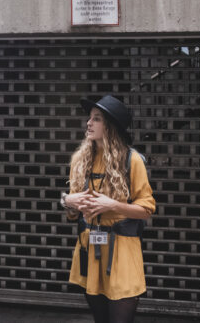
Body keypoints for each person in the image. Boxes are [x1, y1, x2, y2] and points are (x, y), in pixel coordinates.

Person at [62, 95, 155, 323]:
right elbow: (71, 211)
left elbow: (147, 209)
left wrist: (111, 205)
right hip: (91, 250)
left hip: (122, 252)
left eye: (97, 119)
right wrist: (67, 201)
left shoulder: (132, 160)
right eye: (89, 118)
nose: (89, 123)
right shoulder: (80, 161)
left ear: (110, 126)